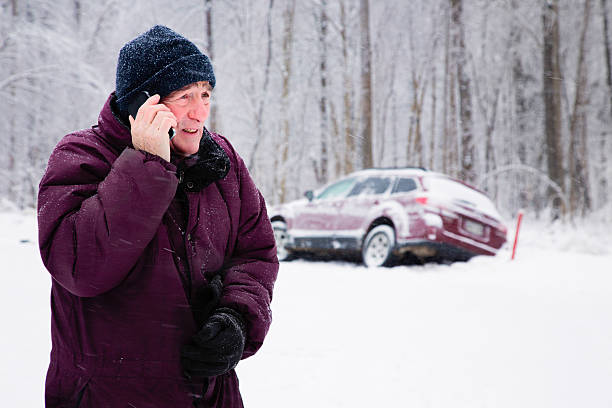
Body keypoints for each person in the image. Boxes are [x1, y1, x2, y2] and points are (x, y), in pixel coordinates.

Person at [37, 25, 278, 407]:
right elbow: (80, 268)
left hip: (209, 395)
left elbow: (255, 253)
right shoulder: (81, 157)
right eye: (184, 97)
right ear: (142, 106)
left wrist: (238, 318)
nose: (200, 112)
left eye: (205, 95)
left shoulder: (222, 163)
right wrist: (147, 162)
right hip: (110, 396)